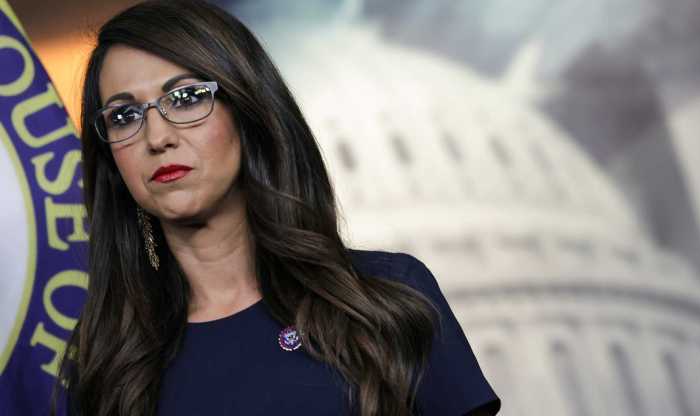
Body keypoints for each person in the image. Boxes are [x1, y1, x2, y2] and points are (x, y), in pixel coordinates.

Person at [53, 1, 501, 415]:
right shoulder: (106, 364)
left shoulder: (387, 302)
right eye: (123, 116)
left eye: (186, 98)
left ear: (248, 113)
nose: (157, 137)